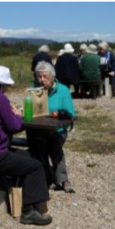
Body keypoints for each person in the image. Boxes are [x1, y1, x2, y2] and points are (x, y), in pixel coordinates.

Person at [0, 66, 52, 226]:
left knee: (26, 157)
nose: (6, 89)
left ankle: (20, 200)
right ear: (0, 85)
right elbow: (13, 126)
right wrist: (18, 116)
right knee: (35, 166)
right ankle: (28, 211)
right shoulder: (0, 99)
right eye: (6, 86)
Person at [28, 62, 75, 193]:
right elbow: (28, 110)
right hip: (39, 129)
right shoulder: (33, 89)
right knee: (38, 143)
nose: (42, 80)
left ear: (52, 76)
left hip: (58, 130)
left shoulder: (63, 90)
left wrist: (54, 113)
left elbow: (71, 114)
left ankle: (63, 179)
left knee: (53, 142)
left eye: (45, 76)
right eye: (39, 77)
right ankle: (46, 178)